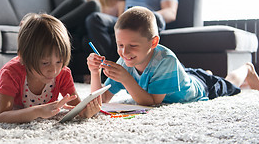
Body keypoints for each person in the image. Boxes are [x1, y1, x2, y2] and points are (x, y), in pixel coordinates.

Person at [88, 7, 259, 105]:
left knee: (229, 84)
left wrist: (126, 79)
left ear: (153, 42)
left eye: (132, 46)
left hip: (202, 88)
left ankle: (247, 69)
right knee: (193, 74)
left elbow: (152, 102)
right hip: (181, 75)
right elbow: (101, 99)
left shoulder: (165, 60)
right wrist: (95, 73)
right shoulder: (126, 61)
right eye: (120, 45)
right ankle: (200, 73)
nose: (124, 52)